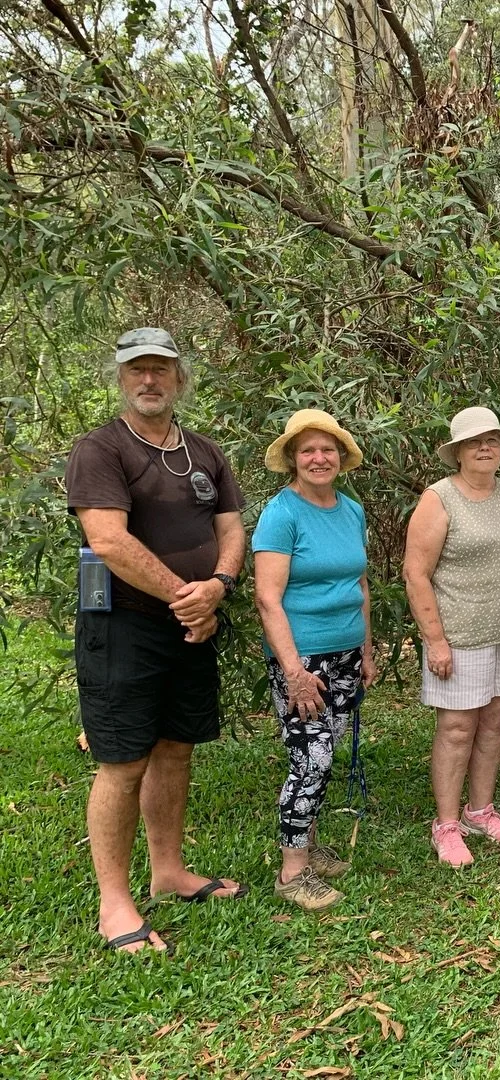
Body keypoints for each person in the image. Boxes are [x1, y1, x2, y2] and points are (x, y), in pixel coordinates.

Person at [65, 327, 247, 953]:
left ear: (179, 378)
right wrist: (185, 595)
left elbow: (231, 527)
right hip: (124, 624)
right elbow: (107, 541)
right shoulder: (102, 450)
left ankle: (167, 871)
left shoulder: (204, 452)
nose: (149, 380)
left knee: (175, 748)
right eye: (137, 369)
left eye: (160, 369)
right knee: (122, 761)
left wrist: (218, 585)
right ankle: (114, 903)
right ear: (121, 378)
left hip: (192, 621)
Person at [253, 410, 375, 911]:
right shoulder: (281, 514)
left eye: (328, 449)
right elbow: (267, 598)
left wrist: (367, 647)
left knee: (327, 749)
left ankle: (310, 844)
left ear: (342, 459)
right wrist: (294, 672)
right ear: (292, 460)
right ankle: (292, 872)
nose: (319, 458)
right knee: (312, 759)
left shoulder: (351, 510)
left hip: (347, 652)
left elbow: (360, 583)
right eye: (308, 450)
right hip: (301, 657)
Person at [404, 406, 500, 865]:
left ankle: (480, 810)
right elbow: (416, 573)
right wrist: (435, 639)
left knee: (495, 721)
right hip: (458, 634)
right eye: (475, 441)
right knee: (457, 728)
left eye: (492, 440)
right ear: (457, 452)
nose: (484, 447)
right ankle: (447, 824)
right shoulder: (439, 499)